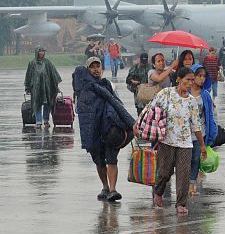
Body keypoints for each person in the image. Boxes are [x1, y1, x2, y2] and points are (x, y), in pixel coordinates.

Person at [73, 57, 136, 203]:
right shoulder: (83, 89)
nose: (96, 69)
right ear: (88, 70)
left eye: (98, 66)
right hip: (93, 130)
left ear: (102, 68)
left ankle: (113, 190)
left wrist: (130, 123)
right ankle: (105, 187)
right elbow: (79, 109)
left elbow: (117, 103)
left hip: (109, 127)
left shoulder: (108, 85)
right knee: (99, 161)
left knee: (112, 159)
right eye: (92, 67)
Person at [145, 67, 207, 215]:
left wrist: (203, 145)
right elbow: (150, 109)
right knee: (165, 172)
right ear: (179, 79)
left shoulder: (191, 101)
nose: (191, 83)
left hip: (185, 143)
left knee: (183, 174)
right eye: (188, 80)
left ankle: (181, 204)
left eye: (192, 80)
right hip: (167, 141)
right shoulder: (166, 93)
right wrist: (137, 125)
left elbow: (196, 125)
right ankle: (158, 192)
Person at [188, 64, 218, 197]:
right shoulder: (184, 92)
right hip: (184, 133)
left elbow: (210, 115)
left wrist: (212, 134)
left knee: (195, 160)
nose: (202, 79)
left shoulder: (205, 95)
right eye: (199, 76)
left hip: (200, 134)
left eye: (204, 76)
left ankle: (191, 186)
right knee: (183, 161)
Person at [25, 46, 61, 128]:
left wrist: (55, 85)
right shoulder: (32, 63)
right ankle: (38, 121)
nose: (42, 53)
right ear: (37, 52)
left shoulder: (48, 62)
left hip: (47, 87)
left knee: (48, 103)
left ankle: (46, 120)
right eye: (40, 51)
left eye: (43, 51)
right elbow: (28, 76)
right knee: (37, 104)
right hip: (36, 88)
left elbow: (54, 74)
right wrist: (27, 87)